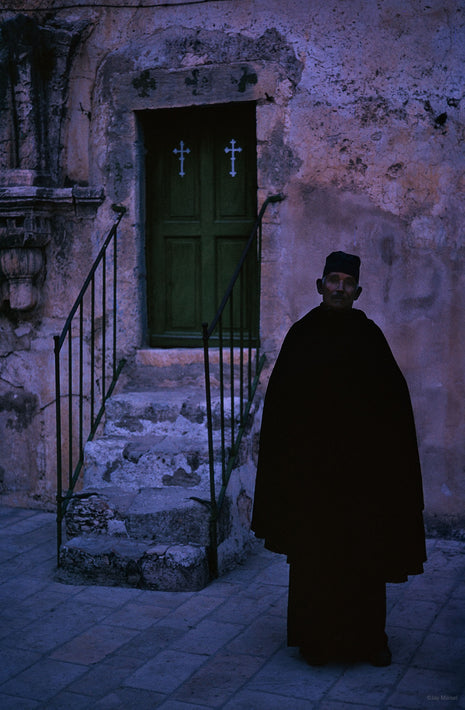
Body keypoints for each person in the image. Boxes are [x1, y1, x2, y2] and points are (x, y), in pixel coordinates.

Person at [251, 250, 426, 667]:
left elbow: (394, 406)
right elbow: (281, 408)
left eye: (348, 283)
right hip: (313, 478)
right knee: (317, 560)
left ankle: (371, 640)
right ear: (320, 286)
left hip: (361, 479)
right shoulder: (301, 335)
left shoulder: (370, 338)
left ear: (358, 291)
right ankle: (316, 641)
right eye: (333, 280)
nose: (339, 288)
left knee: (364, 558)